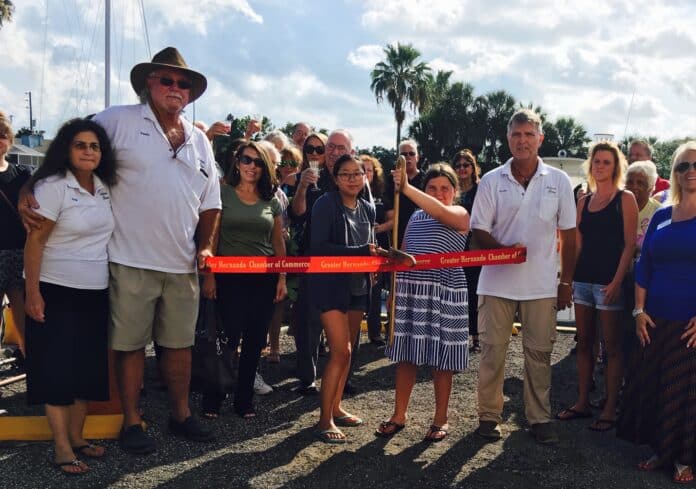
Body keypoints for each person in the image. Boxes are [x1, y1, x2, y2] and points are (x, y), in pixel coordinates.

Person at [21, 47, 221, 453]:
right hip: (129, 260)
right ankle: (132, 421)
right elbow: (68, 147)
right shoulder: (118, 119)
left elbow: (211, 202)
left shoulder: (200, 140)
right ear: (149, 83)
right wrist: (30, 185)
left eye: (183, 83)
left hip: (181, 264)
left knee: (180, 345)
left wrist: (205, 248)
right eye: (166, 80)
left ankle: (180, 414)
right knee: (129, 346)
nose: (175, 88)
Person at [471, 109, 576, 445]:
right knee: (492, 352)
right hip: (497, 282)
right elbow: (478, 232)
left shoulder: (559, 181)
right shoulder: (491, 180)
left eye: (529, 134)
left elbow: (570, 237)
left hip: (542, 285)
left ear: (540, 138)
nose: (522, 140)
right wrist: (505, 250)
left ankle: (539, 418)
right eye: (516, 134)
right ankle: (488, 416)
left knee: (539, 354)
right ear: (508, 139)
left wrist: (565, 283)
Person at [23, 118, 116, 475]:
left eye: (94, 146)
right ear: (66, 148)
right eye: (80, 145)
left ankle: (77, 438)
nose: (89, 151)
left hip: (94, 290)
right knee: (57, 370)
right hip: (54, 289)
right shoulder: (52, 186)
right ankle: (62, 448)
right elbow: (35, 241)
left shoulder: (104, 185)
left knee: (85, 369)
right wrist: (33, 293)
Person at [617, 141, 696, 484]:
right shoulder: (662, 216)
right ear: (674, 174)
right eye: (683, 166)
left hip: (690, 323)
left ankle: (683, 457)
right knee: (657, 386)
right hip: (654, 318)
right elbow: (645, 264)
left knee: (686, 393)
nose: (690, 172)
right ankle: (660, 449)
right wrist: (637, 310)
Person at [377, 163, 470, 442]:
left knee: (442, 361)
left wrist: (406, 188)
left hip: (444, 293)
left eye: (445, 188)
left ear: (455, 192)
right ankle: (399, 415)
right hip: (410, 293)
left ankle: (440, 418)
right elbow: (405, 254)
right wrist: (392, 280)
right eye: (432, 188)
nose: (439, 193)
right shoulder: (416, 216)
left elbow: (442, 212)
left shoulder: (460, 213)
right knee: (406, 356)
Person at [556, 142, 638, 432]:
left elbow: (630, 245)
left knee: (613, 348)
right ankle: (582, 402)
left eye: (606, 161)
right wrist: (567, 278)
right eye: (597, 161)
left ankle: (610, 408)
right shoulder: (583, 201)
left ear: (616, 166)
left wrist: (617, 281)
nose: (600, 166)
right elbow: (576, 244)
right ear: (590, 165)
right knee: (584, 342)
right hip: (583, 281)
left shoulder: (625, 199)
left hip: (609, 282)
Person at [203, 141, 287, 418]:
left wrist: (282, 278)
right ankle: (213, 399)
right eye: (247, 160)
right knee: (226, 341)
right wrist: (210, 275)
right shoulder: (222, 193)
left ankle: (243, 400)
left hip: (263, 279)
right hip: (229, 277)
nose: (252, 166)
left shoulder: (271, 199)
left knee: (254, 341)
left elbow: (278, 243)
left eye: (259, 162)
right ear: (237, 162)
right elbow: (212, 238)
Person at [309, 154, 377, 443]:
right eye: (345, 174)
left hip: (358, 287)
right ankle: (324, 420)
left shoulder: (367, 209)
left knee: (349, 352)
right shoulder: (325, 204)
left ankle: (336, 407)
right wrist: (364, 251)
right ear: (336, 179)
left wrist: (375, 259)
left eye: (357, 173)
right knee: (340, 351)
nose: (352, 178)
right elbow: (320, 247)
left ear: (365, 177)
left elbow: (371, 245)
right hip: (330, 286)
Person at [290, 130, 347, 395]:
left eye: (319, 149)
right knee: (308, 321)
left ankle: (340, 378)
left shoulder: (339, 177)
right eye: (310, 149)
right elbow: (297, 214)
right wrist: (302, 186)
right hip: (310, 256)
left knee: (340, 318)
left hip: (339, 255)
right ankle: (307, 378)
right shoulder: (301, 177)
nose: (314, 154)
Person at [0, 112, 30, 358]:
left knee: (24, 318)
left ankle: (35, 370)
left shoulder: (23, 173)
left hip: (20, 253)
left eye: (2, 135)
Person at [452, 148, 483, 353]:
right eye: (458, 165)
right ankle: (458, 334)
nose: (462, 169)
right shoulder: (450, 189)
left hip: (475, 247)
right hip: (454, 246)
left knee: (475, 292)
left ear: (473, 168)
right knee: (457, 292)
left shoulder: (481, 189)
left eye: (466, 165)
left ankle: (476, 337)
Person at [361, 154, 390, 346]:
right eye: (361, 170)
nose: (365, 174)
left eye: (368, 170)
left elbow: (392, 219)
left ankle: (374, 332)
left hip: (377, 249)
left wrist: (380, 227)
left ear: (374, 173)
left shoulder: (382, 195)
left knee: (374, 290)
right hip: (355, 249)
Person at [384, 139, 424, 248]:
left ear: (417, 157)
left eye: (411, 153)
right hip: (399, 233)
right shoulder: (391, 180)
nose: (408, 157)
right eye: (404, 154)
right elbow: (389, 209)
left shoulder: (427, 179)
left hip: (422, 232)